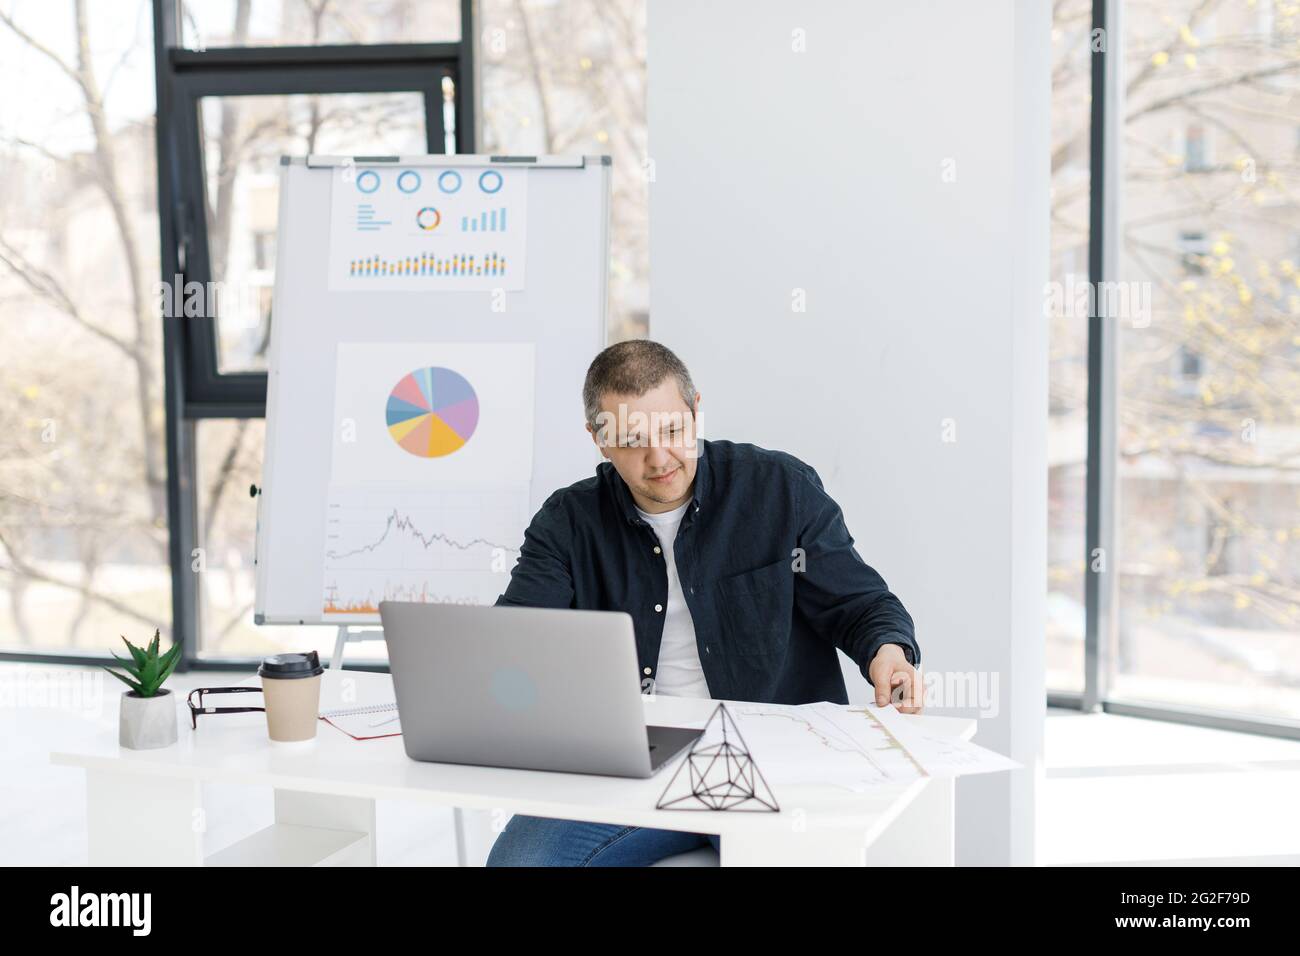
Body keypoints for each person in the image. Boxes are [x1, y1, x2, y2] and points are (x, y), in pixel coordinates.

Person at [486, 340, 920, 866]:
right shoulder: (567, 522)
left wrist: (888, 652)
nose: (660, 458)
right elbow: (515, 640)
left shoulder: (779, 488)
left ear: (695, 410)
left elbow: (859, 603)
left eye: (673, 430)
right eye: (632, 440)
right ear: (599, 440)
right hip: (630, 765)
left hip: (772, 757)